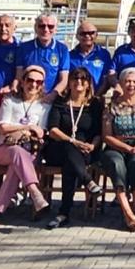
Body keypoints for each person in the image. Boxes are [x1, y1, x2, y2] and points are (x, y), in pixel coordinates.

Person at [0, 64, 51, 232]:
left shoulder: (44, 106)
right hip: (4, 148)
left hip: (30, 152)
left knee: (15, 166)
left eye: (39, 82)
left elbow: (41, 132)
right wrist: (28, 128)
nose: (34, 85)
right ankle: (34, 190)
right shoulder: (10, 101)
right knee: (17, 154)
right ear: (23, 81)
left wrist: (22, 129)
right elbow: (3, 127)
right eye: (30, 80)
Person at [43, 66, 104, 229]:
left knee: (70, 163)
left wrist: (93, 145)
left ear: (88, 84)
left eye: (83, 79)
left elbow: (99, 132)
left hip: (85, 150)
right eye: (75, 78)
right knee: (69, 148)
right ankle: (87, 180)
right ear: (69, 82)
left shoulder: (94, 104)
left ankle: (64, 213)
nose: (79, 81)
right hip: (59, 147)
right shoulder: (60, 102)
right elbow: (53, 129)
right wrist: (72, 141)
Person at [101, 67, 135, 231]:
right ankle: (128, 213)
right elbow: (107, 136)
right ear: (121, 83)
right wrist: (128, 149)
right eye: (127, 81)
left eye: (134, 82)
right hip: (116, 147)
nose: (131, 85)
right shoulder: (112, 106)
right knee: (116, 164)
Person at [14, 14, 69, 96]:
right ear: (35, 28)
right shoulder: (23, 48)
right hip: (28, 96)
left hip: (51, 97)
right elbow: (19, 76)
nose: (46, 29)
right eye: (42, 26)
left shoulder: (62, 49)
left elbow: (63, 80)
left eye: (50, 26)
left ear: (56, 29)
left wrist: (51, 97)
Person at [68, 21, 113, 92]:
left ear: (96, 35)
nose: (87, 36)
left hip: (98, 96)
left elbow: (107, 78)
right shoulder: (69, 56)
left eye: (91, 33)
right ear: (77, 36)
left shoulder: (104, 54)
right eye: (83, 33)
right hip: (76, 96)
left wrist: (98, 95)